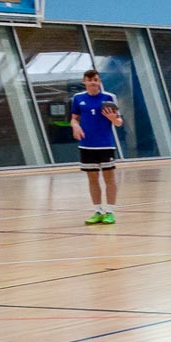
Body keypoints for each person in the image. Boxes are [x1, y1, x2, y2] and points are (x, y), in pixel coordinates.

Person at [70, 69, 124, 225]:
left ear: (99, 81)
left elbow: (119, 123)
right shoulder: (78, 98)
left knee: (109, 178)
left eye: (95, 79)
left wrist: (113, 118)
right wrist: (75, 126)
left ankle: (110, 212)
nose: (92, 82)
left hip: (105, 145)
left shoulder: (109, 98)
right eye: (89, 80)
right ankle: (98, 211)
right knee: (92, 179)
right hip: (86, 146)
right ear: (84, 82)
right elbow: (74, 119)